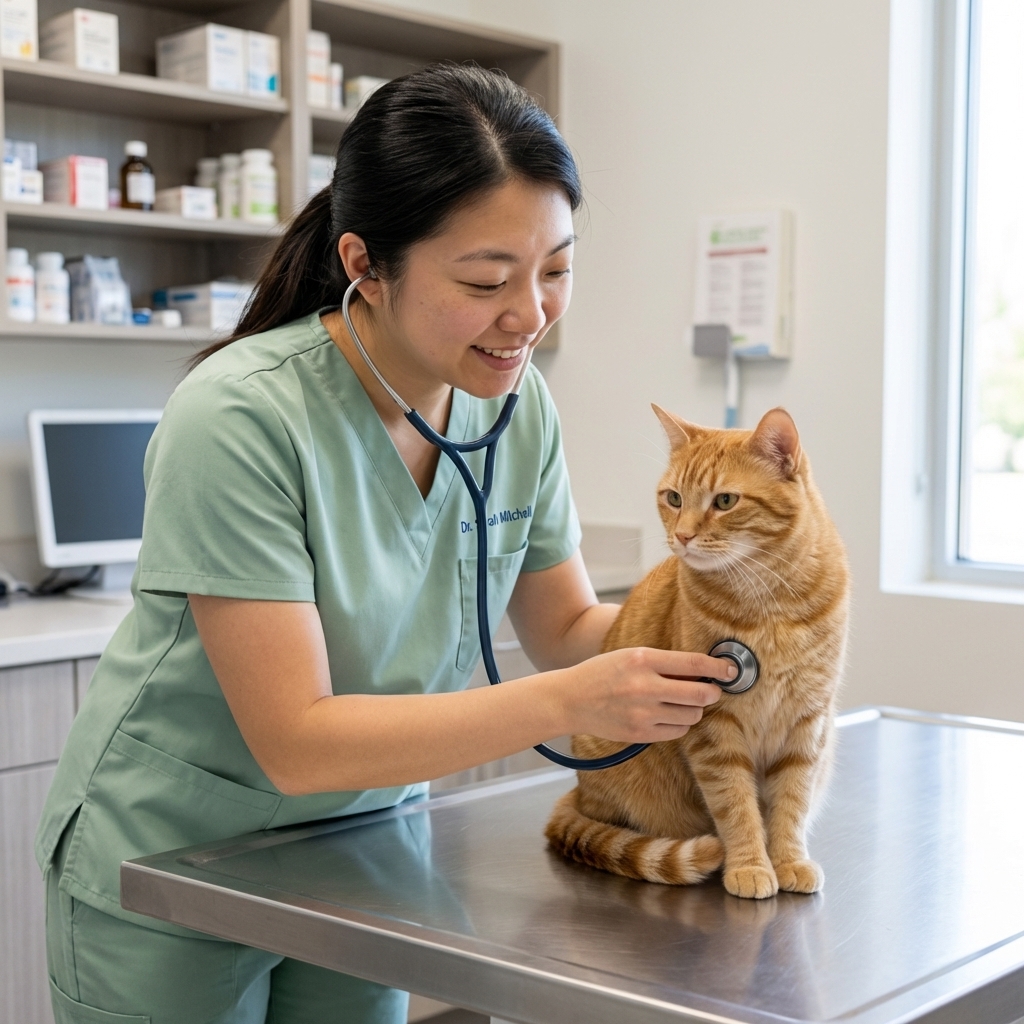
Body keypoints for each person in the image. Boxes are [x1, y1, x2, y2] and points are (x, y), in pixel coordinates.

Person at [36, 63, 734, 1024]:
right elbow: (297, 740)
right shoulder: (240, 417)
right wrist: (579, 698)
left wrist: (722, 631)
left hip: (363, 845)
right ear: (365, 263)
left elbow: (569, 624)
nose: (529, 314)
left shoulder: (516, 405)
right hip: (172, 858)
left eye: (557, 269)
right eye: (488, 279)